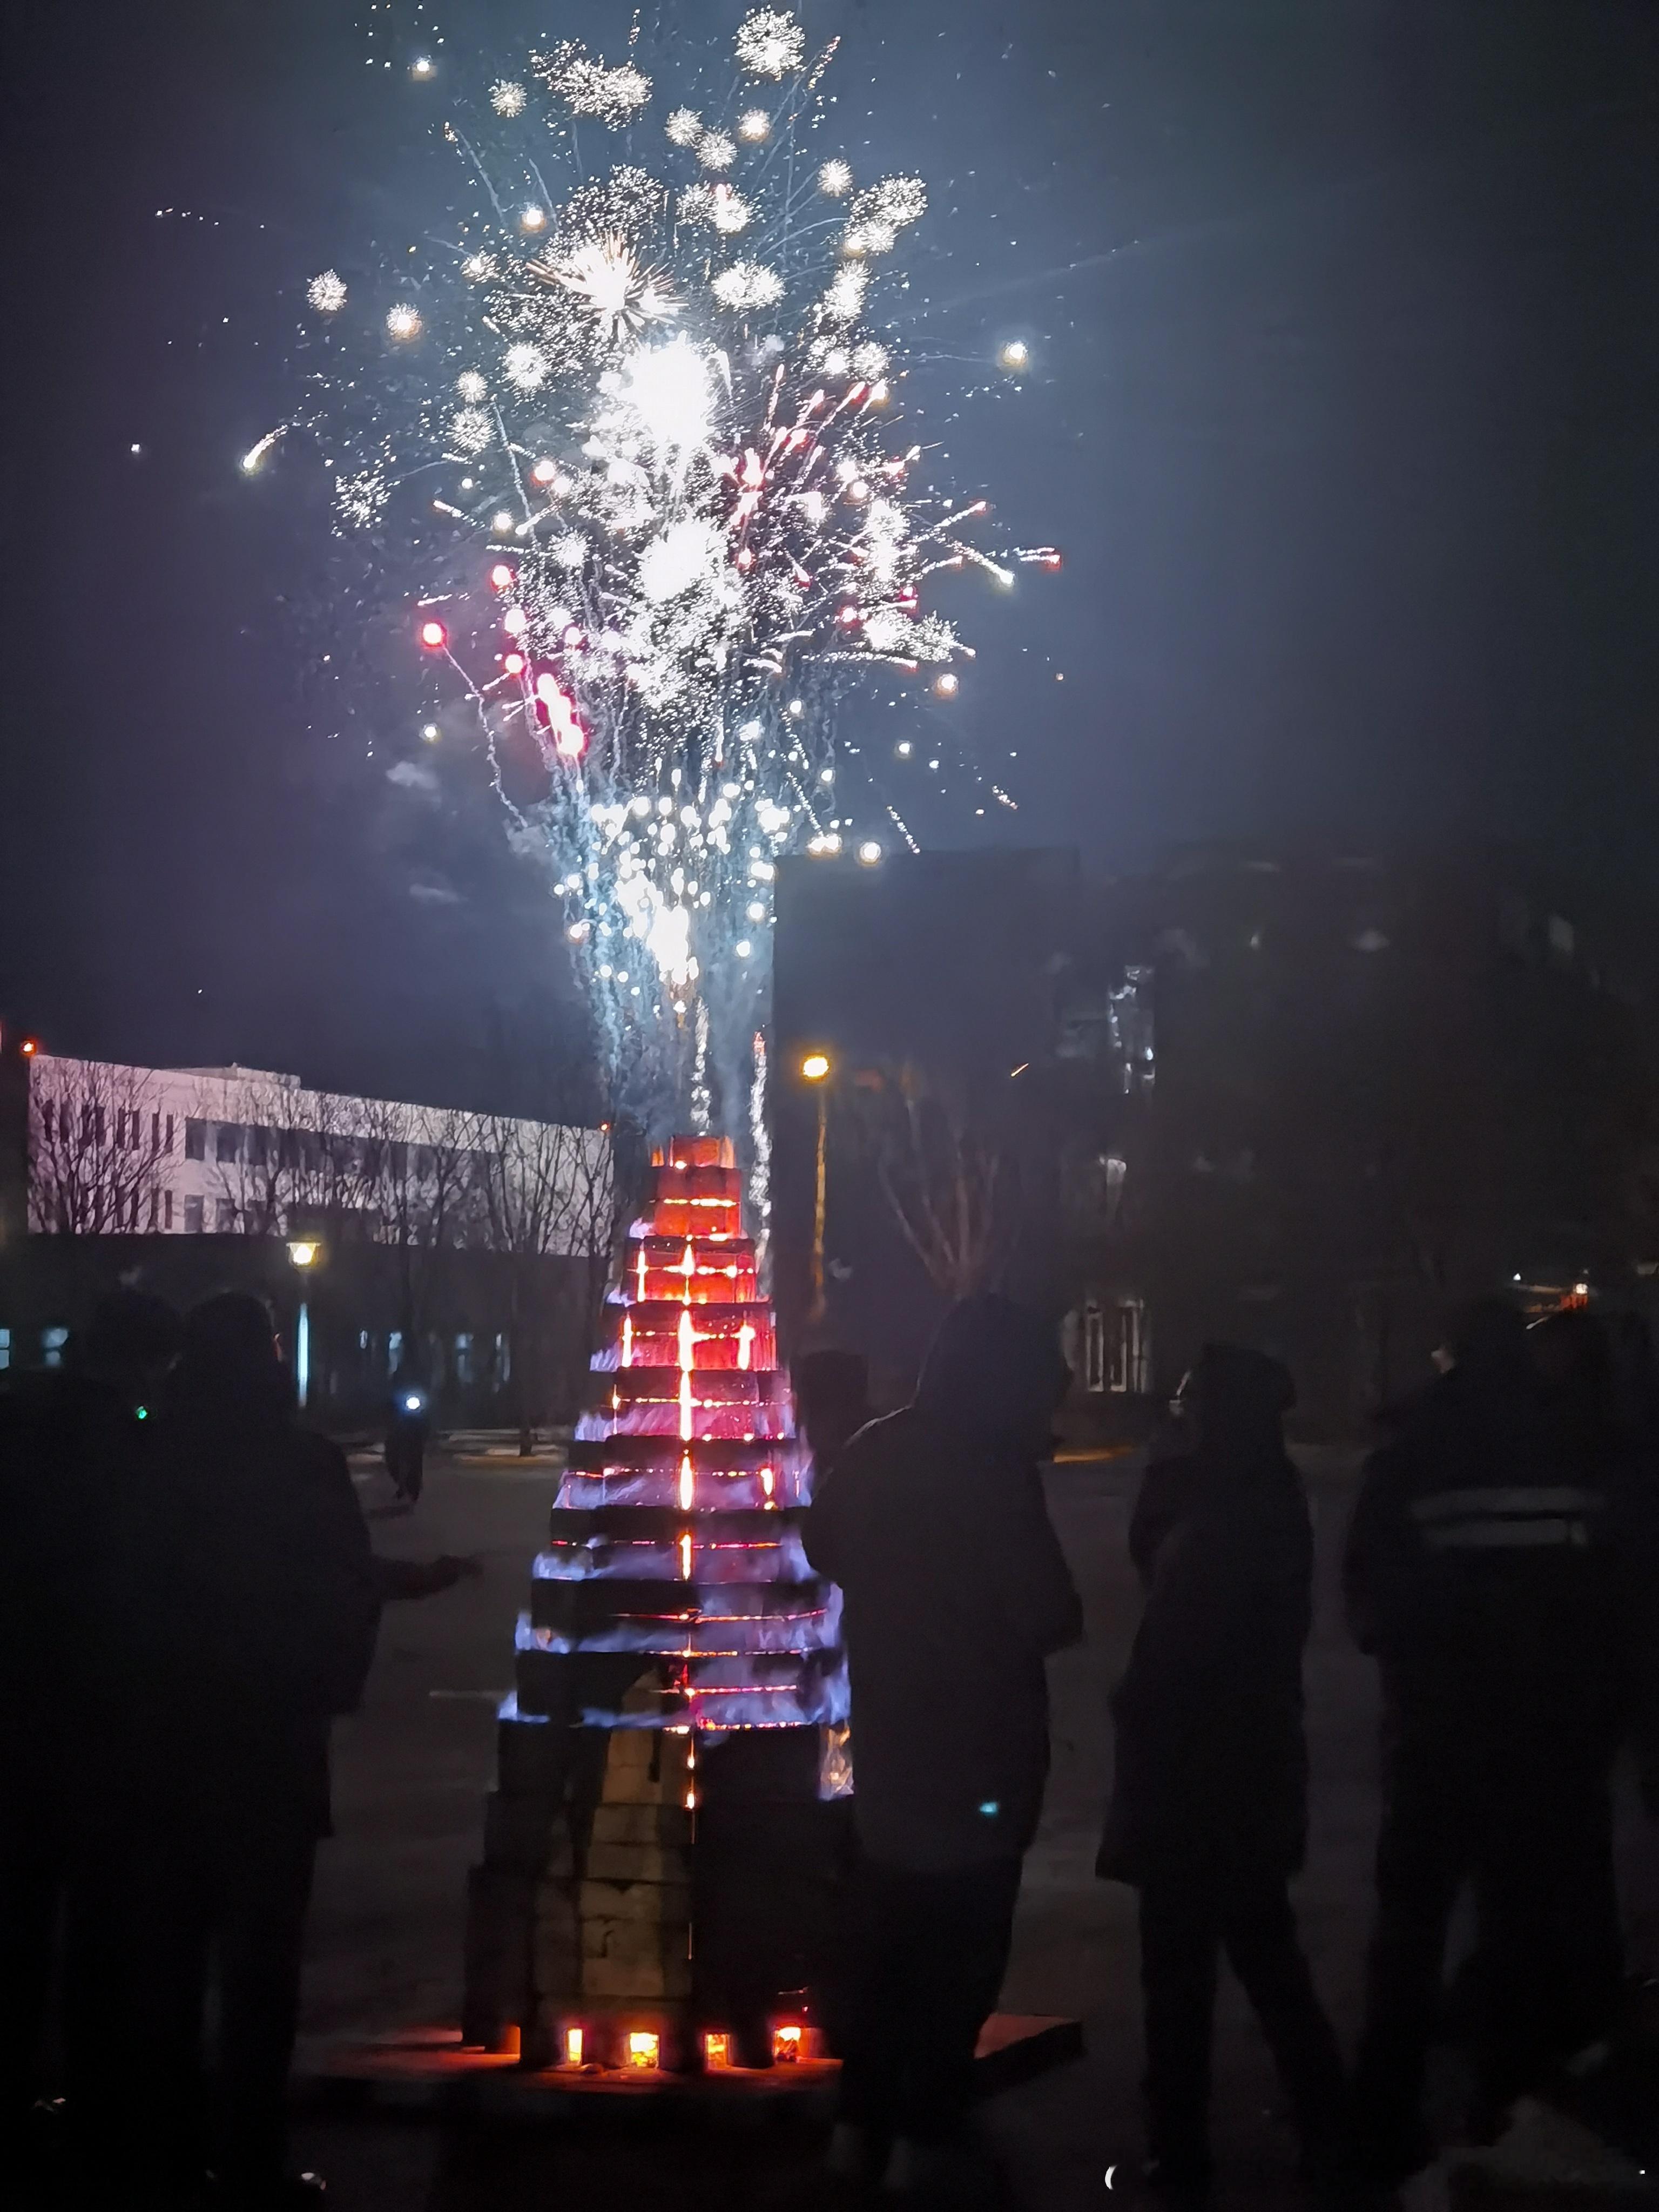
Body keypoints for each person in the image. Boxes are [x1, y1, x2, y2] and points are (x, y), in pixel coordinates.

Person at [1345, 1299, 1659, 2182]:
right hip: (1546, 1746)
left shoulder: (1410, 1457)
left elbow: (1369, 1607)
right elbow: (1620, 1603)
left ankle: (1380, 2123)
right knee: (1521, 1929)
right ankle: (1507, 2115)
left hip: (1435, 1743)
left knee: (1407, 1936)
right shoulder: (1573, 1452)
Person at [131, 1292, 429, 2208]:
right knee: (260, 1968)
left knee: (165, 1963)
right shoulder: (301, 1461)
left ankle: (167, 2149)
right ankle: (250, 2155)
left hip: (160, 1742)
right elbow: (341, 1587)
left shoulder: (149, 1456)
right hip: (266, 1743)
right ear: (265, 1356)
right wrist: (326, 1692)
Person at [802, 1292, 1082, 2201]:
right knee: (955, 1959)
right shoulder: (990, 1472)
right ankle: (928, 2140)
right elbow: (1047, 1611)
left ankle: (859, 2129)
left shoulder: (874, 1453)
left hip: (889, 1748)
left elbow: (821, 1542)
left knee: (885, 1951)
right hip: (979, 1759)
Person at [1098, 1345, 1346, 2201]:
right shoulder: (1274, 1496)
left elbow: (1163, 1602)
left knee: (1180, 1968)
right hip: (1250, 1757)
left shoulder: (1196, 1498)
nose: (1179, 1409)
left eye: (1189, 1397)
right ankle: (1324, 2119)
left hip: (1188, 1763)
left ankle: (1182, 2143)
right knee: (1260, 1949)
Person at [0, 1290, 181, 2189]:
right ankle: (95, 2106)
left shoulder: (19, 1419)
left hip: (18, 1707)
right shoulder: (127, 1446)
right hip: (98, 1717)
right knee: (103, 1927)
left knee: (20, 1915)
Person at [383, 1359, 431, 1505]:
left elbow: (427, 1404)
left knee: (416, 1455)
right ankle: (401, 1483)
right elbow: (388, 1402)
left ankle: (414, 1485)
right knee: (392, 1455)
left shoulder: (421, 1382)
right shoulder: (396, 1383)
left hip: (415, 1427)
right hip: (399, 1426)